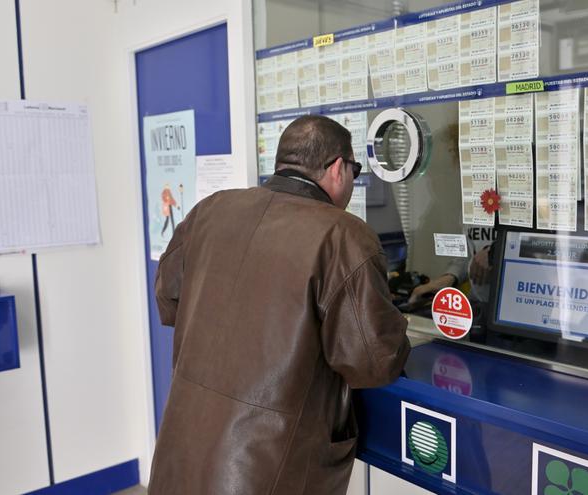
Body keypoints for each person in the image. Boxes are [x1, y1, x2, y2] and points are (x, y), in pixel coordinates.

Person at [148, 115, 411, 494]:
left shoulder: (209, 211)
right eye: (354, 169)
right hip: (270, 468)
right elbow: (373, 361)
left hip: (185, 447)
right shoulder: (344, 234)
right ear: (338, 168)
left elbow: (168, 301)